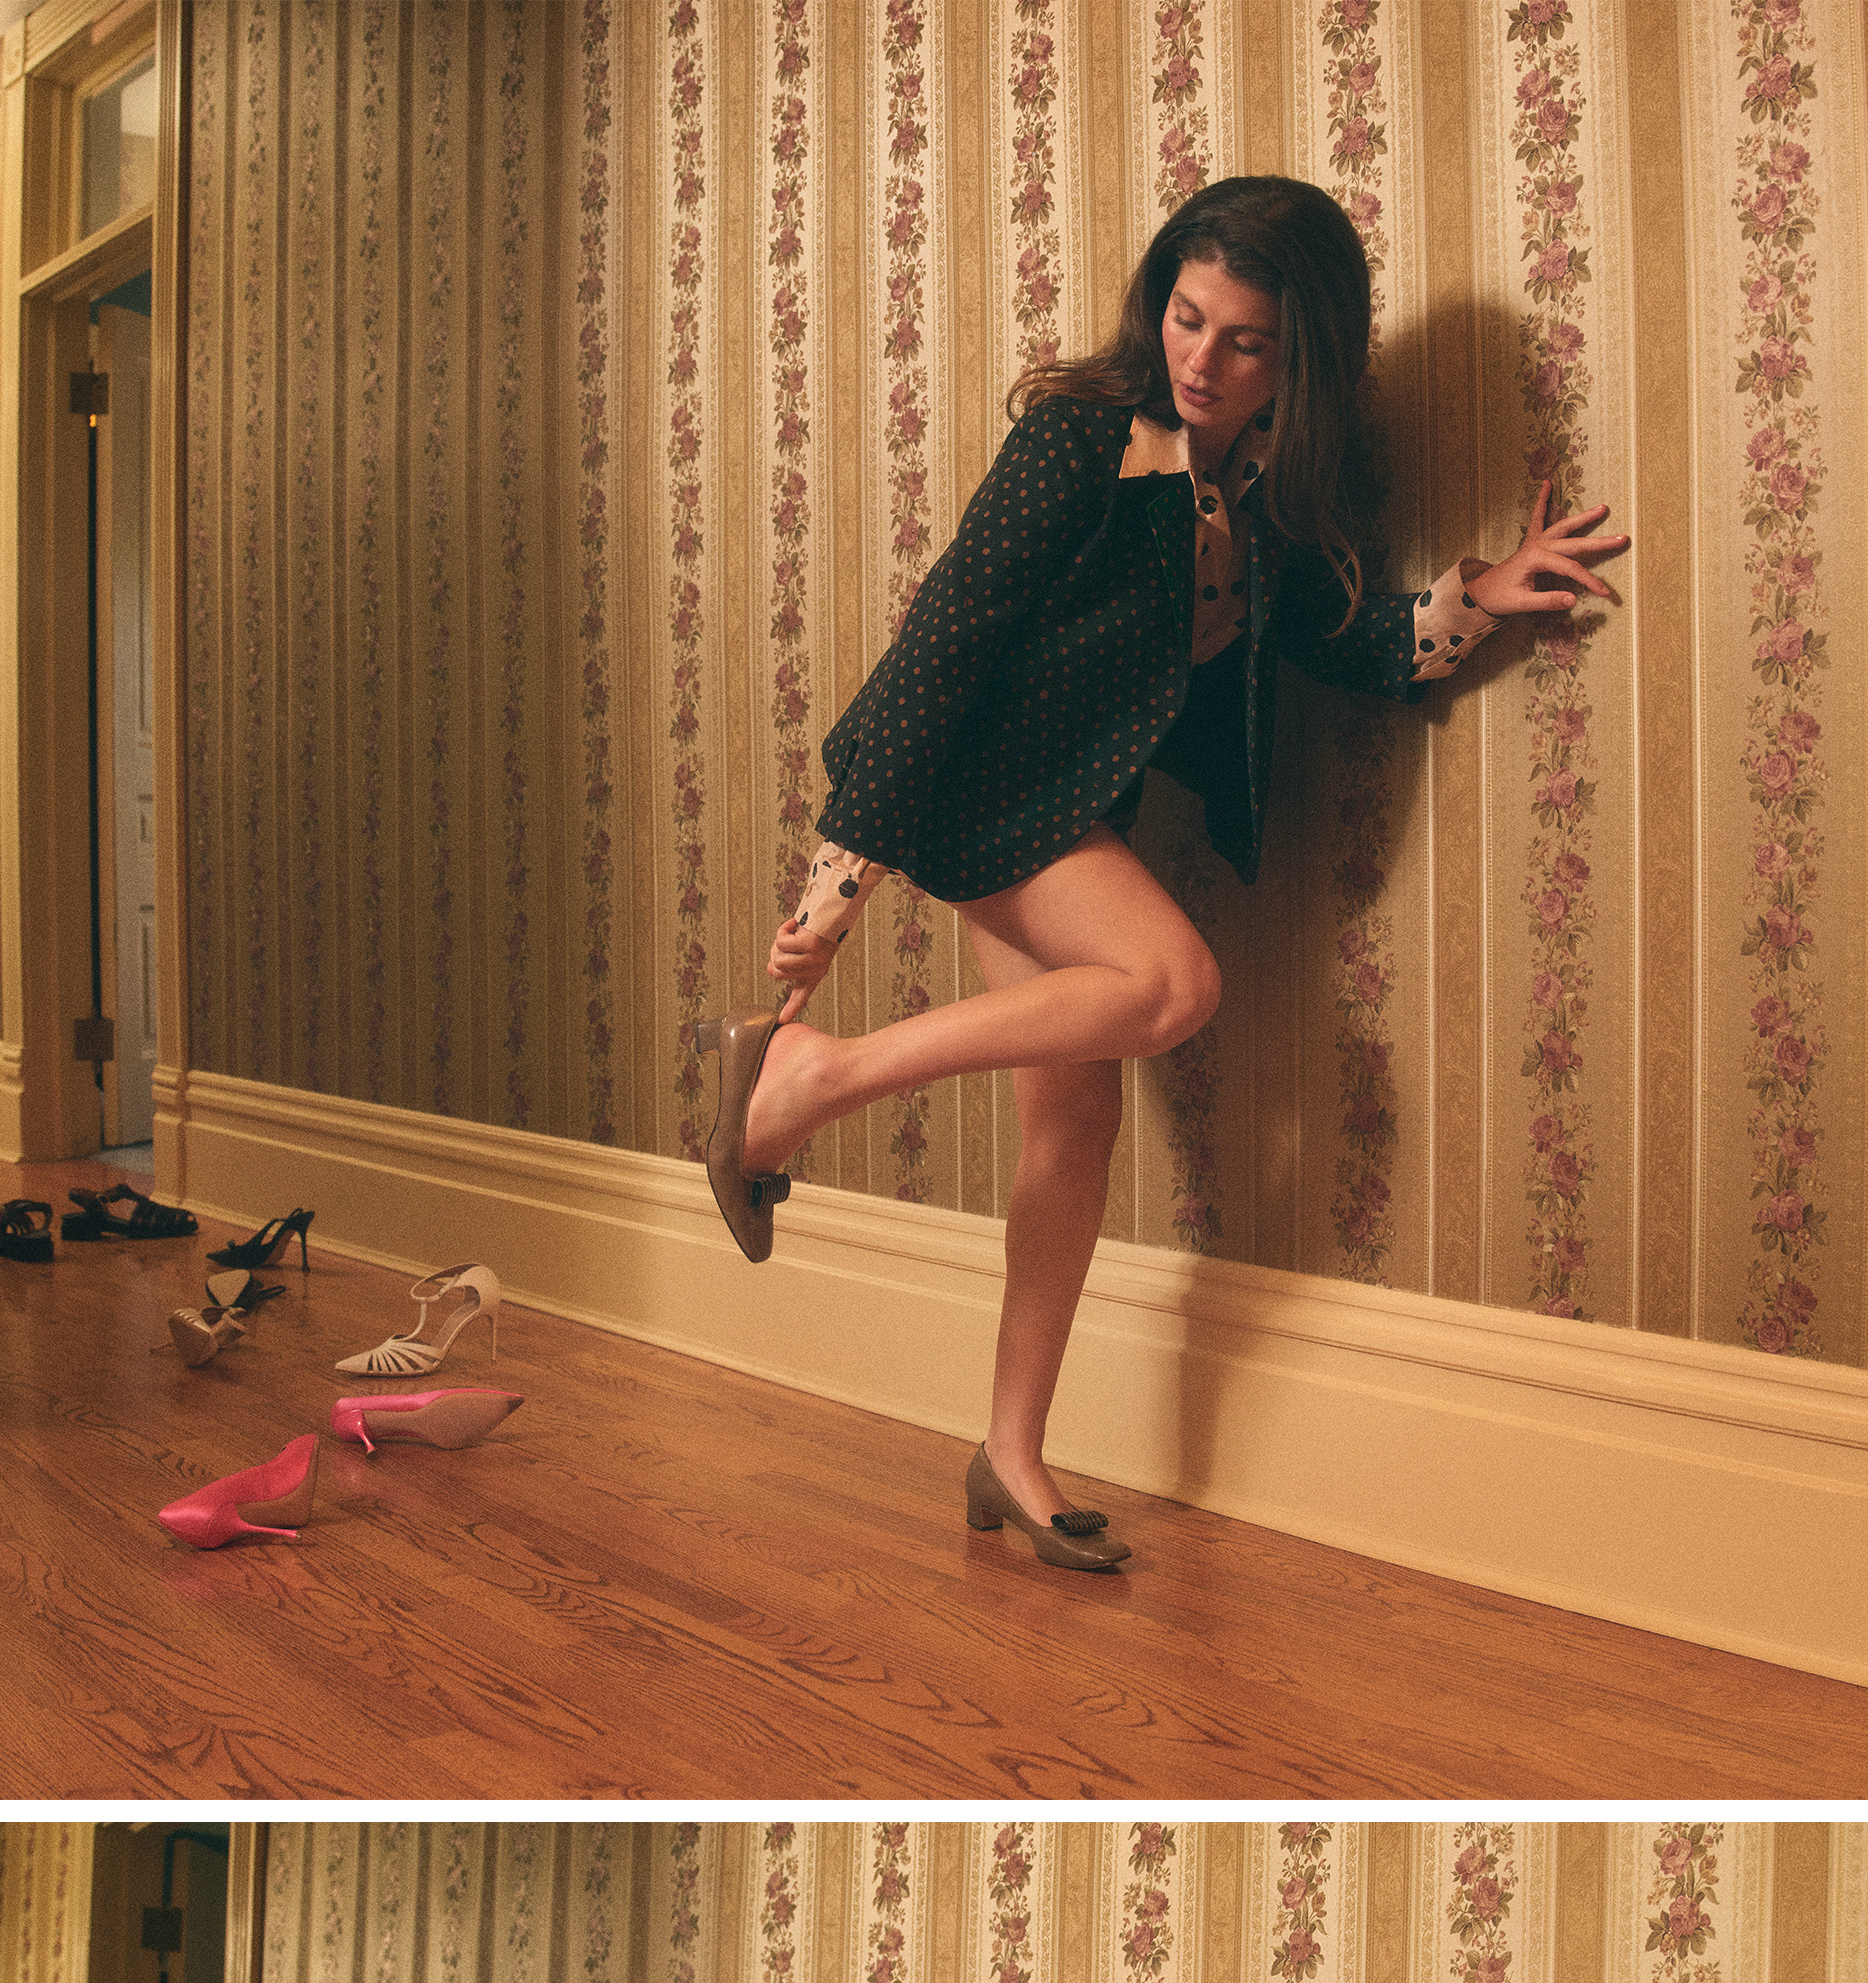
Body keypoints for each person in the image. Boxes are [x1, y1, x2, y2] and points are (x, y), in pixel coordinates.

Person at [695, 174, 1629, 1569]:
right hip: (988, 789)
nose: (1202, 359)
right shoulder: (1082, 440)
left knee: (1075, 1127)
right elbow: (942, 645)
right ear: (1159, 306)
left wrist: (1473, 601)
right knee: (1173, 978)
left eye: (1243, 340)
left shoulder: (1276, 486)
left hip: (1075, 802)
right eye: (1187, 320)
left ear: (1297, 357)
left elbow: (1333, 639)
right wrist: (835, 898)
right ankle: (804, 1078)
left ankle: (1008, 1452)